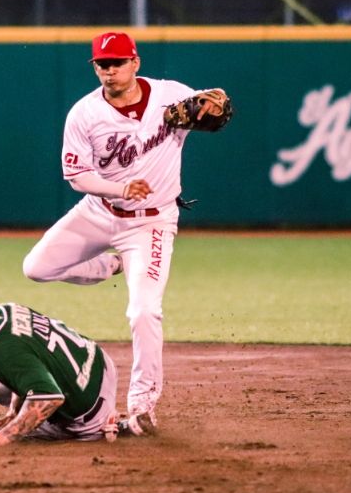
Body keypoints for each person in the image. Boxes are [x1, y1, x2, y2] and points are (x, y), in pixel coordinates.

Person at [21, 31, 233, 430]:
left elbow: (211, 105)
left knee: (144, 311)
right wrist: (119, 188)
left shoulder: (170, 94)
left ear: (136, 62)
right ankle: (111, 267)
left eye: (118, 62)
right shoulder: (84, 113)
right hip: (99, 210)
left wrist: (210, 103)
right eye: (103, 64)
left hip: (152, 222)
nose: (110, 71)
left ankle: (142, 405)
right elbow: (77, 176)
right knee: (36, 267)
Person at [0, 302, 156, 447]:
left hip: (90, 406)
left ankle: (118, 428)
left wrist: (1, 438)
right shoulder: (2, 311)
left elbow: (49, 398)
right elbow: (28, 358)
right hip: (99, 364)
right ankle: (105, 416)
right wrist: (12, 413)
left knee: (26, 433)